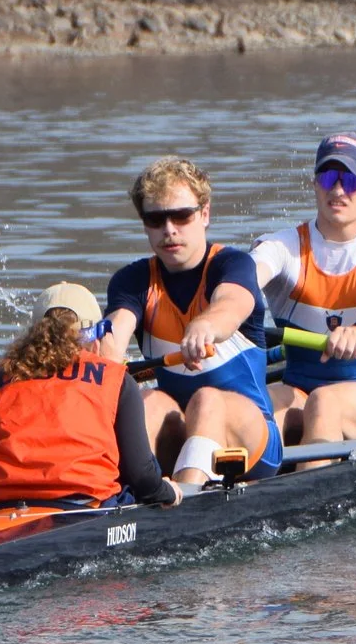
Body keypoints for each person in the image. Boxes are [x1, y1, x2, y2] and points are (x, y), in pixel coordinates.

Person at [99, 155, 281, 500]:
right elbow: (115, 332)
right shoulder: (132, 280)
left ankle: (183, 499)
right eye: (155, 219)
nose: (169, 230)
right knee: (147, 400)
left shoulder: (232, 264)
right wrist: (99, 355)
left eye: (181, 216)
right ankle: (107, 499)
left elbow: (232, 305)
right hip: (178, 431)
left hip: (252, 440)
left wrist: (205, 325)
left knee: (207, 399)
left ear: (205, 214)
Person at [249, 131, 356, 447]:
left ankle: (307, 488)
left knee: (325, 402)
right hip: (299, 389)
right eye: (329, 177)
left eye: (352, 180)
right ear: (315, 183)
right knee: (247, 408)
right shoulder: (282, 246)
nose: (339, 189)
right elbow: (244, 281)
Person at [0, 283, 169, 513]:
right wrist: (166, 491)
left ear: (32, 335)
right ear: (96, 338)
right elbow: (141, 476)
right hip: (82, 507)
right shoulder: (116, 380)